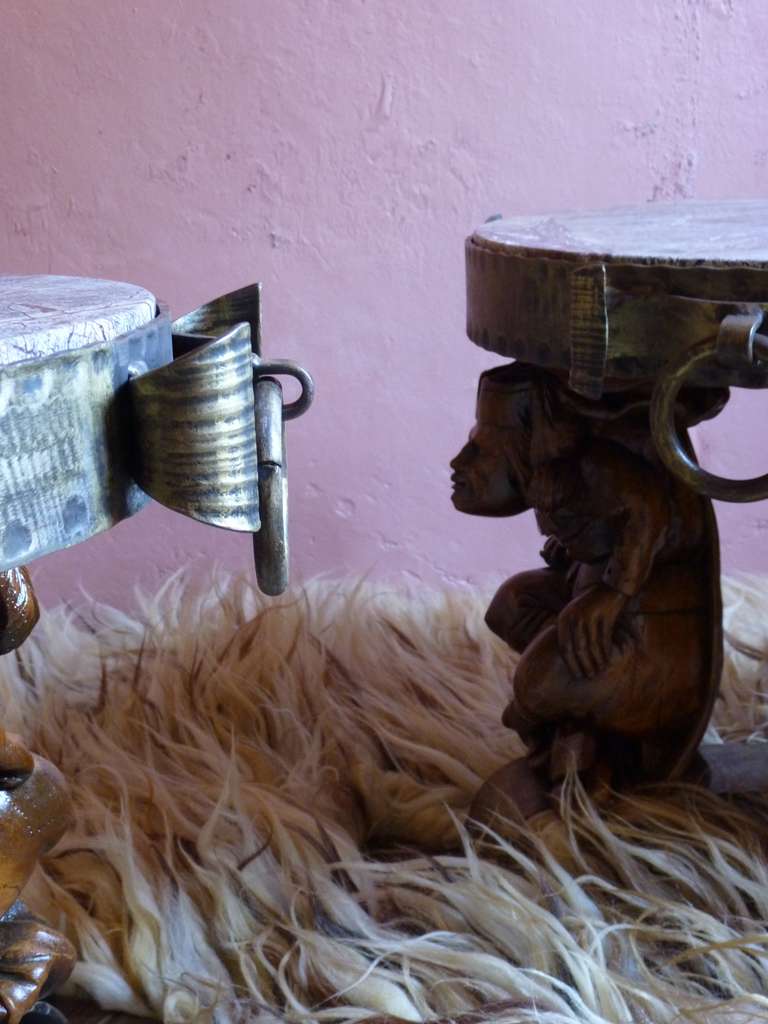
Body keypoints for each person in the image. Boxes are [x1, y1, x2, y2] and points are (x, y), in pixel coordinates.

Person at [450, 363, 721, 786]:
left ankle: (565, 708)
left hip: (656, 647)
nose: (459, 461)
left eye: (482, 448)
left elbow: (650, 509)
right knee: (513, 603)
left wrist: (614, 591)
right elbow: (610, 523)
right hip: (600, 611)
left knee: (534, 686)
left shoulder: (594, 464)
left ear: (527, 446)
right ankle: (577, 715)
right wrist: (574, 554)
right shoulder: (556, 476)